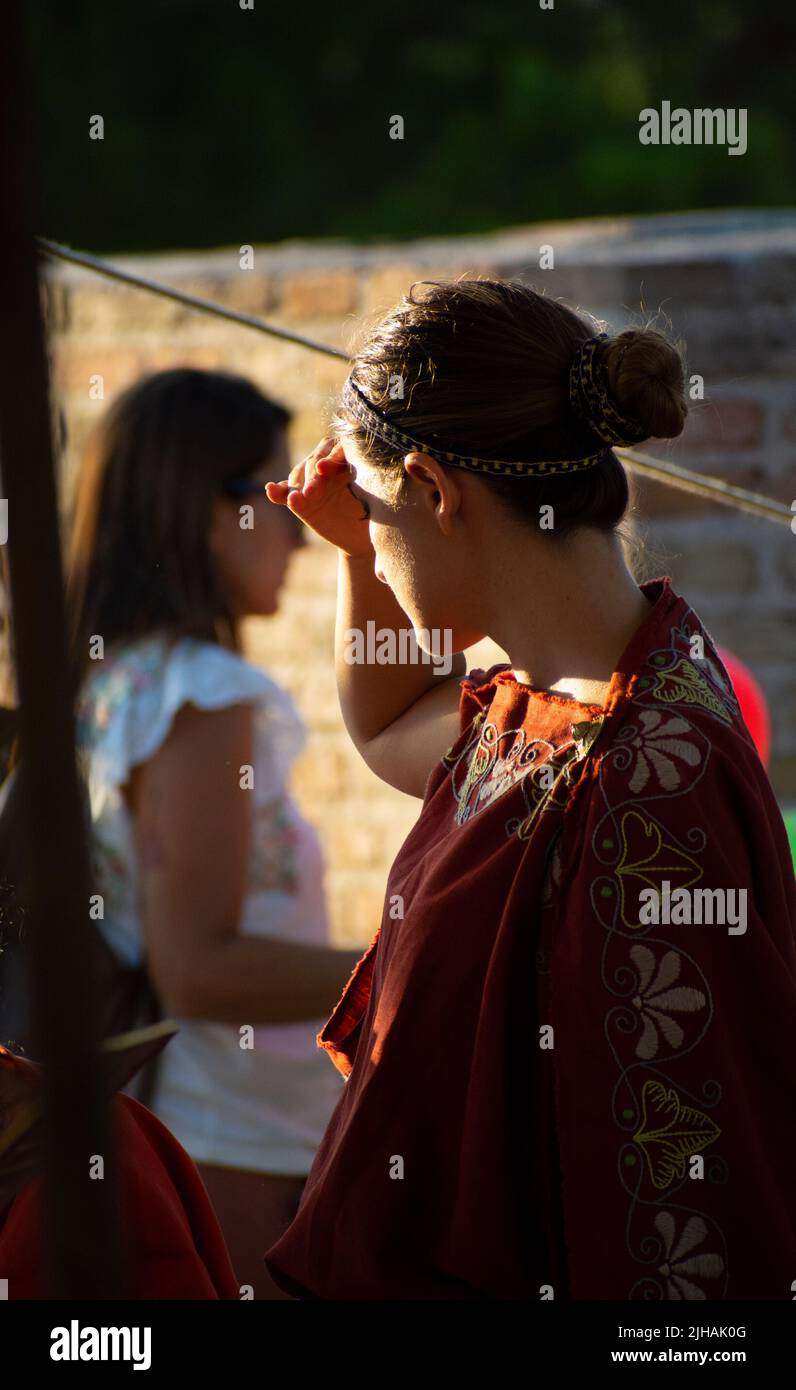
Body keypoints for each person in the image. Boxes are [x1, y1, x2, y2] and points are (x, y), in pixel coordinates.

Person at [262, 278, 796, 1300]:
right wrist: (359, 554)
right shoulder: (563, 705)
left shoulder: (646, 785)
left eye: (377, 517)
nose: (369, 541)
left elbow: (674, 1221)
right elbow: (386, 728)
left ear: (433, 489)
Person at [63, 368, 362, 1298]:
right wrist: (409, 960)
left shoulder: (124, 680)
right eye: (274, 498)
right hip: (229, 1137)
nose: (299, 537)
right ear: (203, 510)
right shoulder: (201, 694)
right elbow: (198, 968)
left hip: (206, 1124)